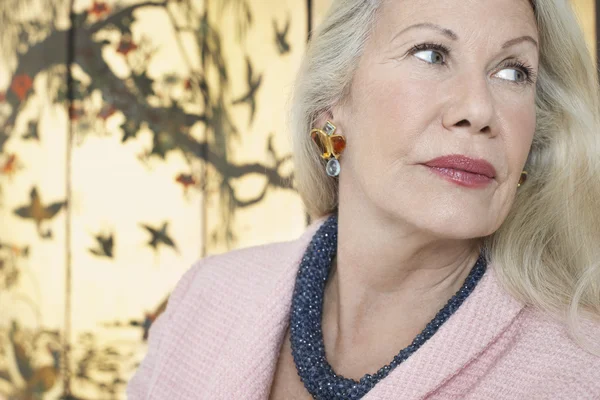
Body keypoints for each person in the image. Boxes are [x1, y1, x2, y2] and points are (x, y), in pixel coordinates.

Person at [127, 0, 600, 398]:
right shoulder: (208, 295)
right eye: (432, 54)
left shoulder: (581, 371)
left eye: (514, 71)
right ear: (333, 102)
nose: (478, 110)